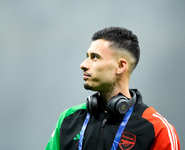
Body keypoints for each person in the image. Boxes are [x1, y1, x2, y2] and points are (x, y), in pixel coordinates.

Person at [45, 27, 180, 150]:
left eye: (95, 57)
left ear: (120, 66)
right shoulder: (68, 118)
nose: (83, 65)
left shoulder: (158, 129)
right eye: (87, 56)